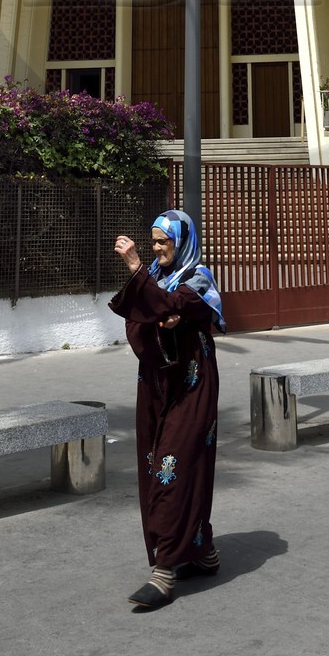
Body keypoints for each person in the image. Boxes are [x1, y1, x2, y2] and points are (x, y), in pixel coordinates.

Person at [111, 209, 225, 610]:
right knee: (152, 464)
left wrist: (137, 268)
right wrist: (157, 314)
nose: (158, 248)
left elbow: (171, 304)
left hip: (192, 385)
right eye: (155, 241)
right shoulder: (158, 279)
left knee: (171, 469)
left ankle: (164, 571)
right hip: (156, 384)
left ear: (183, 241)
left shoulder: (198, 278)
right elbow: (135, 315)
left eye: (165, 241)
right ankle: (202, 549)